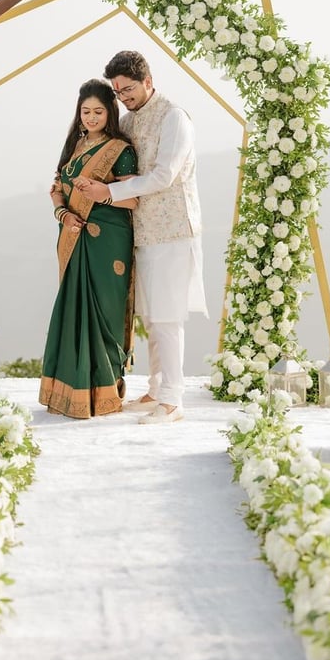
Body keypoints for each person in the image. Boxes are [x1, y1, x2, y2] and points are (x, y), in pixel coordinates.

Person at [77, 51, 208, 425]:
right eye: (117, 92)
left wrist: (110, 193)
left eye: (128, 89)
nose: (123, 97)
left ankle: (173, 400)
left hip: (173, 230)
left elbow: (164, 175)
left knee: (167, 318)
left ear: (148, 81)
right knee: (151, 316)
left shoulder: (174, 118)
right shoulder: (131, 121)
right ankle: (154, 388)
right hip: (140, 231)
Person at [39, 78, 139, 419]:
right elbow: (56, 189)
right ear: (78, 114)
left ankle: (106, 392)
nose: (92, 118)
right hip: (74, 235)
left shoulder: (120, 149)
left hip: (108, 241)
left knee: (105, 315)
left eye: (98, 111)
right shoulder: (75, 146)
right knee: (73, 311)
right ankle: (69, 392)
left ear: (109, 112)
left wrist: (100, 190)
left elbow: (134, 199)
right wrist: (63, 213)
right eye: (86, 112)